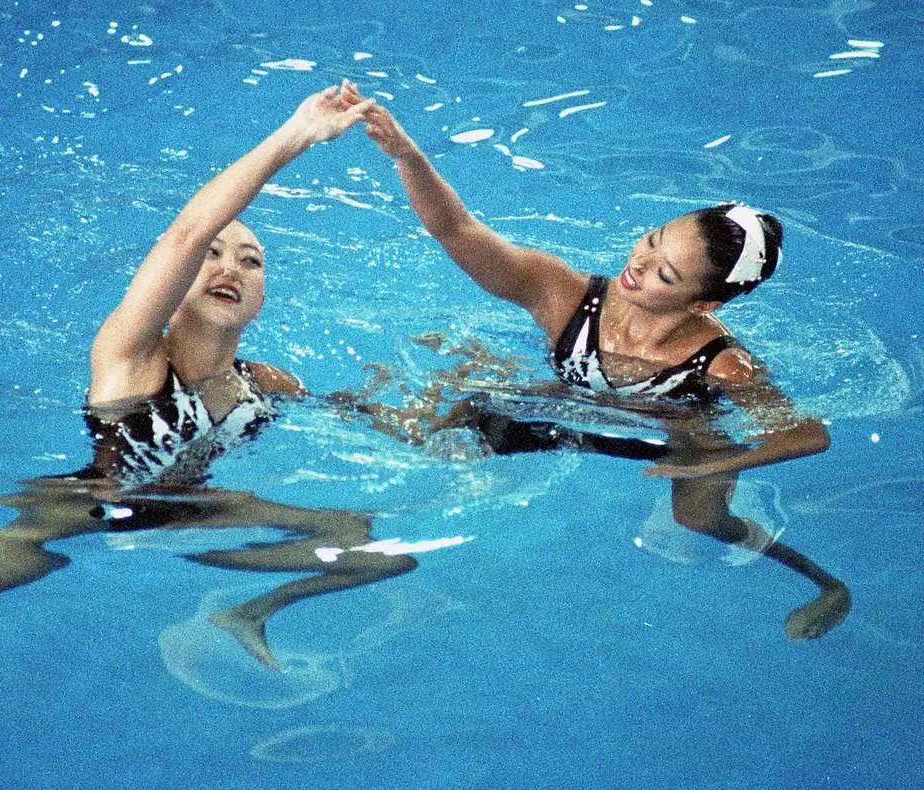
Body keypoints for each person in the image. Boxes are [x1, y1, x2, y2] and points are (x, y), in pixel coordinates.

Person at [0, 86, 415, 672]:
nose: (230, 268)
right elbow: (185, 234)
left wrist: (416, 409)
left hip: (200, 511)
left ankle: (249, 612)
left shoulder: (264, 382)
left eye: (252, 261)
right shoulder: (132, 357)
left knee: (375, 552)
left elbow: (360, 416)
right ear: (176, 285)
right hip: (90, 506)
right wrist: (296, 135)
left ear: (263, 297)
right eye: (214, 254)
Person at [337, 81, 850, 640]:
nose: (640, 264)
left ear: (703, 304)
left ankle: (826, 585)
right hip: (574, 405)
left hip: (674, 439)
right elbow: (458, 230)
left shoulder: (722, 363)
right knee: (442, 420)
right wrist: (406, 155)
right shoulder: (562, 294)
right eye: (652, 240)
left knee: (698, 520)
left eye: (665, 274)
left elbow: (807, 435)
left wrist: (704, 468)